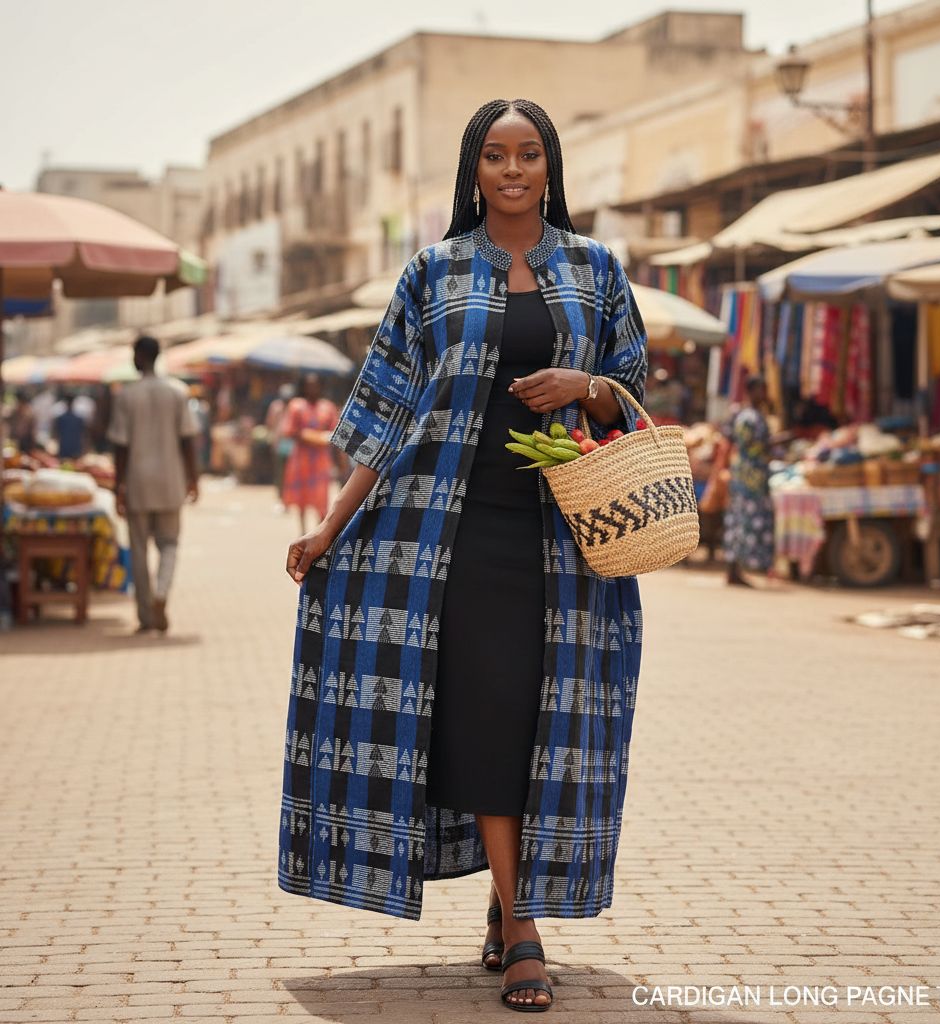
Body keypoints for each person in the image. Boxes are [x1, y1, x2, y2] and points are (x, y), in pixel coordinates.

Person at [280, 98, 648, 1013]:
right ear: (474, 169)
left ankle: (502, 896)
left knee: (545, 724)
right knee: (486, 712)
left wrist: (589, 385)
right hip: (447, 535)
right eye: (496, 155)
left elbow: (635, 388)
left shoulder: (596, 270)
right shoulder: (433, 273)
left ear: (551, 167)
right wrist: (330, 524)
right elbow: (383, 414)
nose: (513, 170)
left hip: (566, 539)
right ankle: (524, 927)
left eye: (529, 154)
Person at [107, 335, 200, 634]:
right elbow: (188, 440)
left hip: (137, 482)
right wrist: (193, 478)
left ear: (139, 356)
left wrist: (117, 486)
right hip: (171, 480)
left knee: (138, 550)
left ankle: (146, 615)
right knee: (169, 545)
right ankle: (161, 594)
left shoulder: (127, 396)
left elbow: (120, 448)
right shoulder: (176, 392)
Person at [721, 374, 788, 587]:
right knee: (744, 522)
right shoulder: (749, 417)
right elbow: (753, 446)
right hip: (750, 477)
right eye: (761, 390)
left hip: (748, 475)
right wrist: (777, 442)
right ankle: (735, 570)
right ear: (751, 391)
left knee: (741, 521)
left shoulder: (748, 415)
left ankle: (735, 569)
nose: (764, 395)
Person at [280, 374, 339, 533]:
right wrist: (308, 436)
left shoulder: (328, 407)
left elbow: (336, 432)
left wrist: (323, 439)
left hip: (321, 459)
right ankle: (303, 531)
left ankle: (318, 531)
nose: (312, 388)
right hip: (302, 458)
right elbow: (289, 431)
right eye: (309, 385)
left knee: (321, 498)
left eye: (315, 385)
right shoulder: (296, 406)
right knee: (302, 498)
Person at [264, 382, 296, 508]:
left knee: (291, 472)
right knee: (280, 472)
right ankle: (281, 497)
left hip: (291, 443)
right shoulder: (275, 406)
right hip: (279, 442)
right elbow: (270, 423)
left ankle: (290, 497)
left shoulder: (295, 407)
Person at [52, 391, 87, 460]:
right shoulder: (78, 419)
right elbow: (84, 435)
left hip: (65, 448)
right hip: (73, 448)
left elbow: (55, 433)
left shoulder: (61, 418)